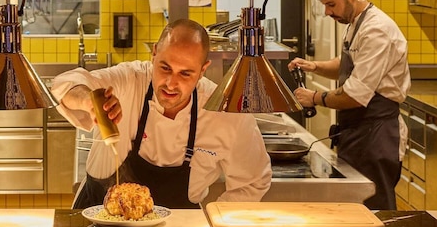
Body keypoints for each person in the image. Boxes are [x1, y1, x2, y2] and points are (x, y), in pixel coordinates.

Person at [51, 19, 272, 209]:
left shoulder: (224, 112)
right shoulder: (130, 80)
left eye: (185, 74)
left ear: (203, 69)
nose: (171, 83)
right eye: (165, 68)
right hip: (96, 215)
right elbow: (66, 83)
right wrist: (89, 100)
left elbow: (252, 182)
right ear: (154, 53)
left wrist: (213, 225)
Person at [288, 0, 410, 210]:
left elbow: (355, 95)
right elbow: (347, 64)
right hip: (357, 131)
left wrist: (314, 97)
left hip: (376, 135)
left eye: (331, 4)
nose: (327, 12)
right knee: (354, 206)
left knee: (374, 210)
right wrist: (315, 66)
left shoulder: (377, 30)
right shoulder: (357, 23)